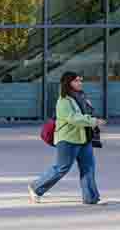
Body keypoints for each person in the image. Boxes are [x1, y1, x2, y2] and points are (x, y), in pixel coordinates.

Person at [29, 72, 106, 206]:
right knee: (61, 168)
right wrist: (93, 121)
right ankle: (36, 188)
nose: (80, 83)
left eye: (80, 80)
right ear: (68, 83)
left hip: (84, 138)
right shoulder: (63, 101)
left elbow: (87, 113)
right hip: (68, 140)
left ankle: (91, 198)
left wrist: (92, 115)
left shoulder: (82, 97)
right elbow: (73, 118)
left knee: (88, 167)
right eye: (76, 81)